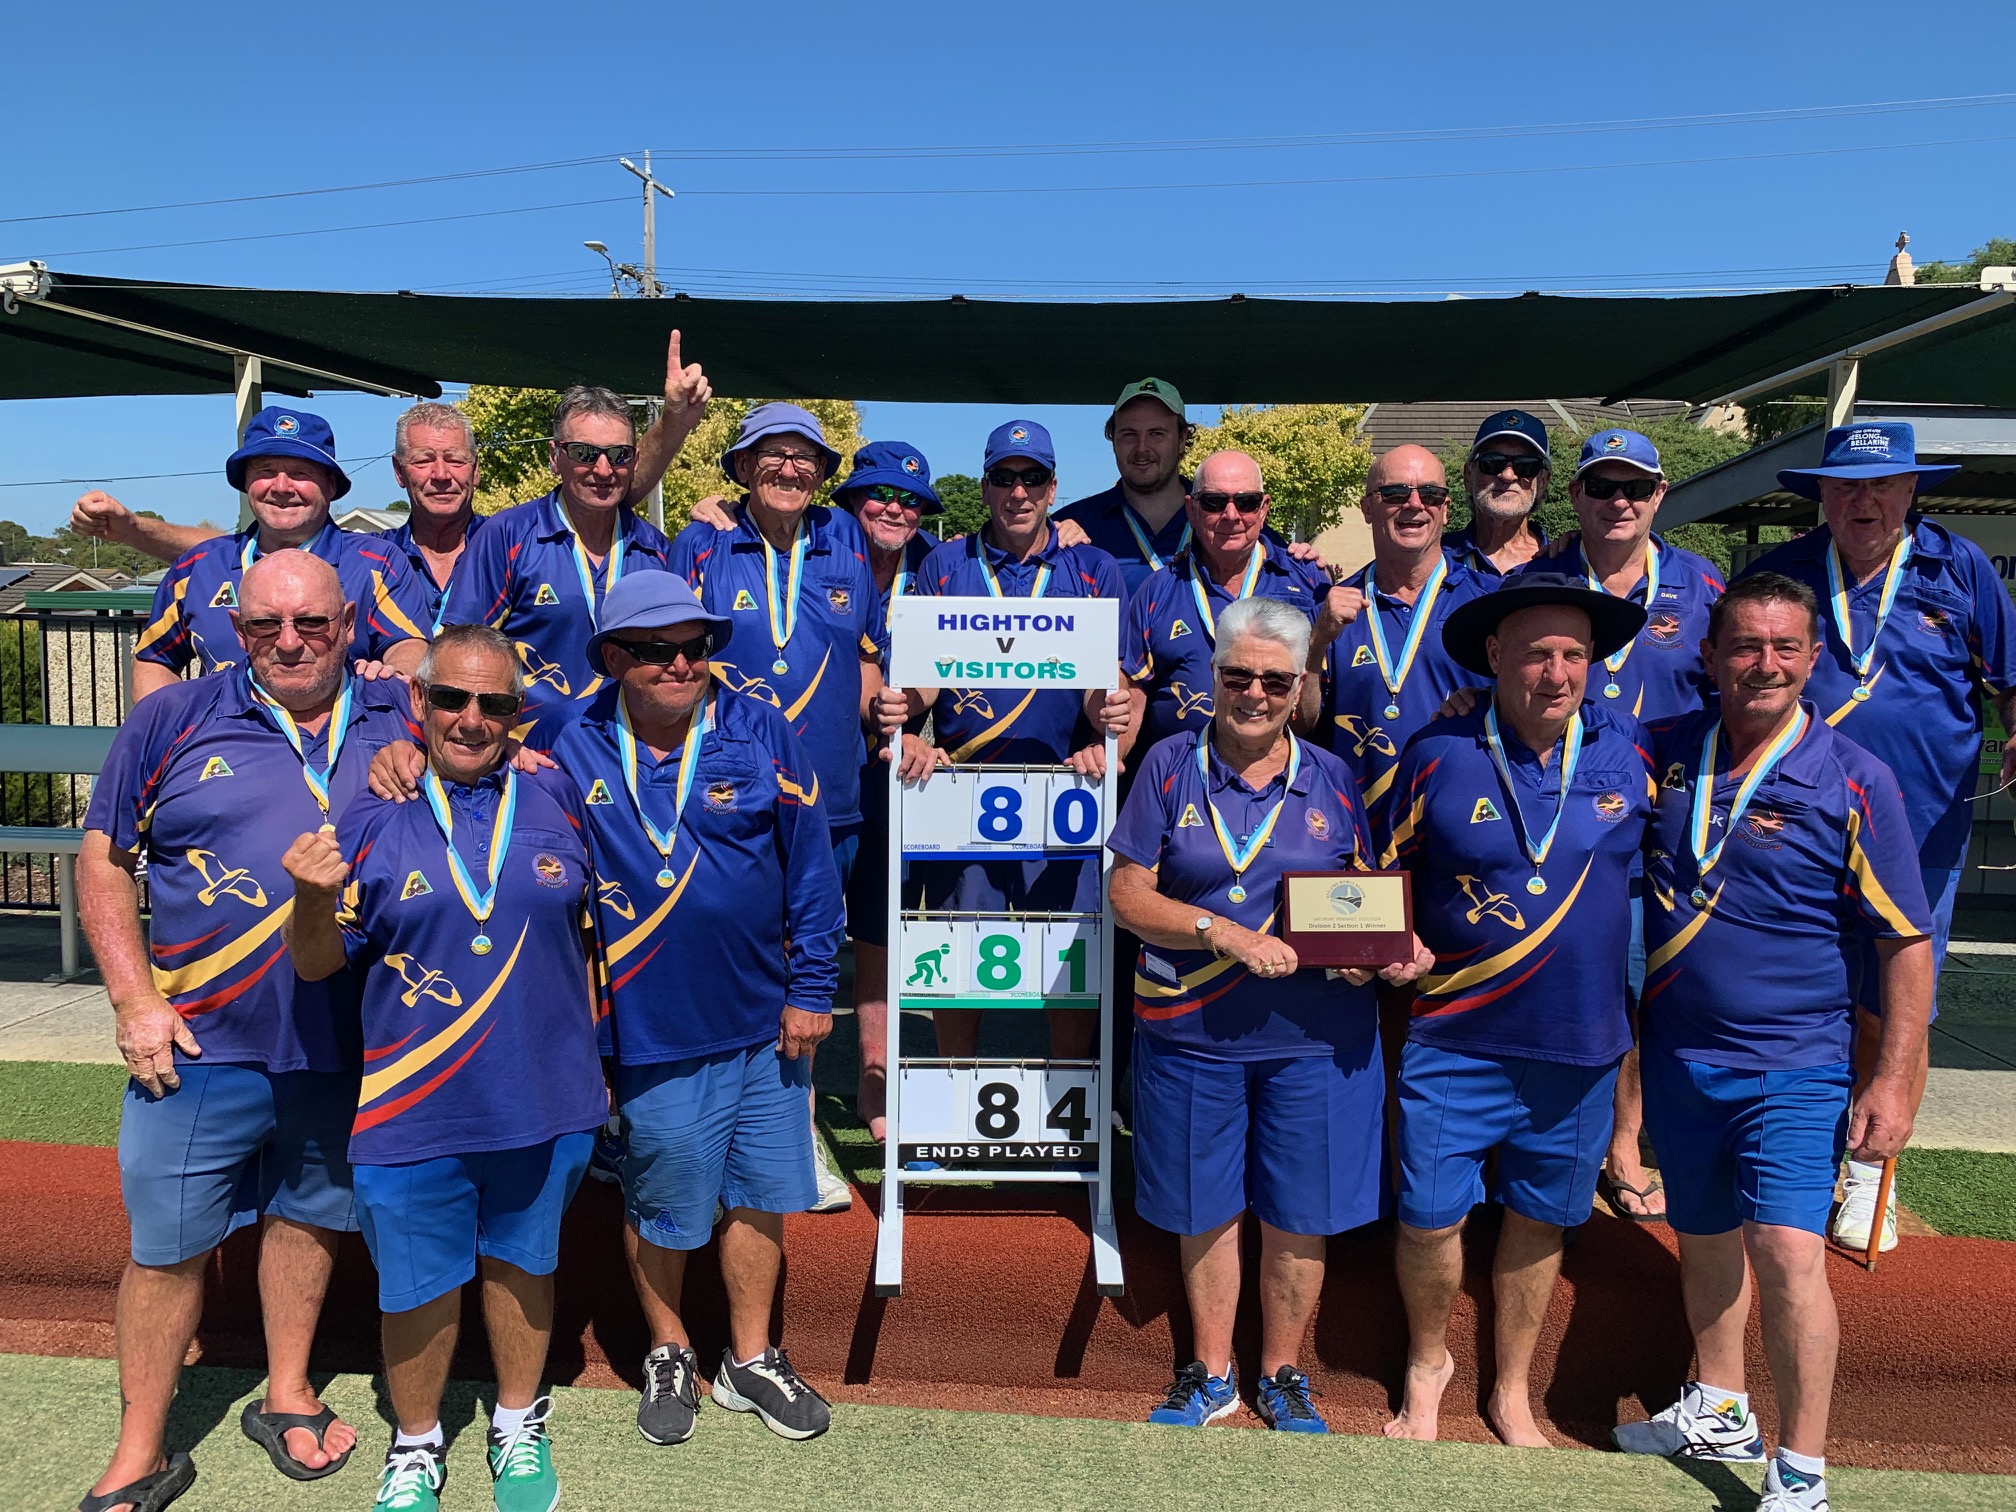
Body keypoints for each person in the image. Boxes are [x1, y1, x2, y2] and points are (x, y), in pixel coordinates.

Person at [74, 552, 414, 1512]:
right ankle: (142, 1445)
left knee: (309, 1218)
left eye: (310, 623)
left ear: (350, 622)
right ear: (235, 627)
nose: (290, 642)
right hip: (197, 1042)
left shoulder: (402, 714)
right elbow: (103, 862)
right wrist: (133, 1001)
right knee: (166, 1247)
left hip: (350, 1042)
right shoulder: (171, 718)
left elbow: (519, 738)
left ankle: (288, 1392)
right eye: (266, 627)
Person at [1615, 572, 1933, 1512]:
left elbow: (1906, 940)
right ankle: (1720, 1405)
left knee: (1788, 1252)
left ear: (1811, 659)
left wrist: (1895, 1080)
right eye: (1744, 646)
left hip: (1795, 1064)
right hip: (1679, 1053)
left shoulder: (1856, 779)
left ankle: (1801, 1469)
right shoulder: (1662, 748)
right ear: (1708, 659)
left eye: (1784, 647)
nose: (1763, 664)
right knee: (1704, 1234)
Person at [286, 624, 607, 1512]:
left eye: (495, 703)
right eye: (452, 699)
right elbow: (318, 964)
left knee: (522, 1265)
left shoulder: (556, 796)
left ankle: (516, 1422)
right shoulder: (372, 805)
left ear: (519, 715)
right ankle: (417, 1443)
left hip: (544, 1096)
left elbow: (590, 940)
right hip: (410, 1101)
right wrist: (310, 902)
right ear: (419, 702)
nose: (472, 719)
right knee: (417, 1287)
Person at [1110, 597, 1431, 1434]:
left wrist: (1392, 952)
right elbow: (1127, 895)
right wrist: (1223, 931)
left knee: (1302, 1208)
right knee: (1203, 1204)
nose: (1254, 692)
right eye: (1238, 675)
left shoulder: (1331, 774)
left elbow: (1361, 894)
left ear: (1299, 689)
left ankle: (1282, 1372)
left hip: (1315, 1037)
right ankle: (1212, 1371)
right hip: (1190, 1028)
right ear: (1213, 677)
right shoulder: (1167, 765)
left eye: (1274, 680)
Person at [548, 573, 844, 1445]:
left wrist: (813, 990)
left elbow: (811, 867)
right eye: (655, 650)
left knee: (762, 1195)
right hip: (647, 1025)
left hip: (765, 1020)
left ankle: (751, 1360)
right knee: (663, 1196)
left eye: (696, 646)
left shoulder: (759, 730)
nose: (682, 664)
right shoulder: (571, 740)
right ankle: (670, 1345)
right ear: (612, 658)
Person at [1378, 573, 1653, 1447]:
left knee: (1540, 1221)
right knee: (1429, 1217)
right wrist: (1390, 943)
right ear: (1496, 656)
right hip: (1455, 1035)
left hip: (1577, 1046)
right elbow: (1376, 871)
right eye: (1537, 652)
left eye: (1575, 654)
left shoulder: (1633, 753)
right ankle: (1428, 1365)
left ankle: (1511, 1389)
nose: (1558, 672)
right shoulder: (1437, 751)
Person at [1739, 421, 2016, 1254]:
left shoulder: (1959, 569)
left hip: (1923, 828)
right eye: (1848, 485)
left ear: (1911, 490)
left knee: (1898, 1006)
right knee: (1808, 997)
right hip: (1799, 826)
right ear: (1821, 493)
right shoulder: (1778, 575)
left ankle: (1871, 1175)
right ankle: (1802, 1155)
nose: (1865, 501)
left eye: (1883, 485)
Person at [72, 331, 711, 621]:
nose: (441, 474)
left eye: (455, 459)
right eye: (425, 462)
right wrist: (132, 531)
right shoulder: (366, 553)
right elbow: (228, 553)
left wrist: (678, 430)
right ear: (400, 474)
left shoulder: (508, 541)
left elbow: (602, 480)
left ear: (477, 469)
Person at [667, 404, 890, 1210]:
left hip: (828, 804)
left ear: (823, 473)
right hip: (726, 799)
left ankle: (792, 1135)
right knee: (732, 962)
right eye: (771, 457)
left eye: (804, 459)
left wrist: (887, 716)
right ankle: (718, 1130)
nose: (788, 470)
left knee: (809, 972)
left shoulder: (848, 548)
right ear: (740, 468)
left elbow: (865, 663)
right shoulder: (701, 544)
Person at [875, 419, 1133, 1060]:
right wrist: (906, 721)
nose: (1018, 492)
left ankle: (1072, 1110)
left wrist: (1110, 731)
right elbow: (923, 677)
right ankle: (955, 1096)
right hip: (960, 792)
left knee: (1069, 967)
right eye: (1004, 478)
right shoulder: (944, 562)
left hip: (1063, 791)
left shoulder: (1092, 566)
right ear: (986, 485)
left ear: (1053, 488)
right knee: (962, 965)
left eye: (1033, 478)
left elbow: (1111, 680)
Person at [1523, 428, 1725, 1222]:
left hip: (1668, 821)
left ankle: (1624, 1143)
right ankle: (1549, 1132)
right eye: (1601, 486)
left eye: (1634, 488)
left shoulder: (1702, 584)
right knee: (1569, 974)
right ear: (1573, 495)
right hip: (1558, 815)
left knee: (1643, 988)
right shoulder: (1542, 580)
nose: (1618, 501)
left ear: (1659, 497)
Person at [441, 378, 709, 744]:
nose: (603, 469)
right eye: (584, 453)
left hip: (626, 757)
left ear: (634, 461)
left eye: (619, 455)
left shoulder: (656, 550)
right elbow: (456, 651)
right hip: (530, 758)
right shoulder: (507, 536)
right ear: (555, 457)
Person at [127, 407, 433, 700]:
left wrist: (391, 677)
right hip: (222, 752)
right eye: (266, 471)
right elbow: (154, 659)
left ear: (330, 485)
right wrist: (167, 734)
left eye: (300, 473)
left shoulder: (377, 563)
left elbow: (409, 647)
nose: (282, 486)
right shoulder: (197, 568)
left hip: (341, 749)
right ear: (246, 482)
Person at [830, 442, 949, 1143]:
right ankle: (786, 1100)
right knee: (802, 929)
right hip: (818, 767)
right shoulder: (815, 548)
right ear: (849, 500)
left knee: (879, 925)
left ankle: (875, 1073)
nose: (895, 508)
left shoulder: (936, 566)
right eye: (879, 494)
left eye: (910, 499)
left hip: (898, 769)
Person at [1307, 445, 1488, 827]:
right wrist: (1316, 643)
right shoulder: (1330, 610)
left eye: (1431, 494)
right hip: (1357, 829)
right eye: (1395, 494)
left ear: (1446, 508)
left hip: (1463, 828)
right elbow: (1301, 726)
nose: (1414, 505)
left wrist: (1489, 700)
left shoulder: (1490, 602)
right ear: (1367, 508)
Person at [1120, 450, 1329, 755]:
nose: (1231, 515)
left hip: (1280, 785)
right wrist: (1111, 759)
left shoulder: (1308, 580)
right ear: (1191, 510)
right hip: (1183, 781)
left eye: (1246, 502)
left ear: (1263, 508)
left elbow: (1326, 690)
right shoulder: (1158, 589)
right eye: (1214, 503)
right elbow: (1133, 693)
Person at [1052, 378, 1197, 596]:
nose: (1142, 448)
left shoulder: (1225, 517)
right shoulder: (1073, 525)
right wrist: (1049, 538)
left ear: (1182, 439)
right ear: (1113, 440)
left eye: (1156, 434)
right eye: (1129, 434)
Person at [1444, 410, 1551, 578]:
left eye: (1526, 465)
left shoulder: (1563, 564)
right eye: (1492, 462)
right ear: (1468, 475)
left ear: (1543, 481)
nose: (1508, 475)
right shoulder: (1436, 559)